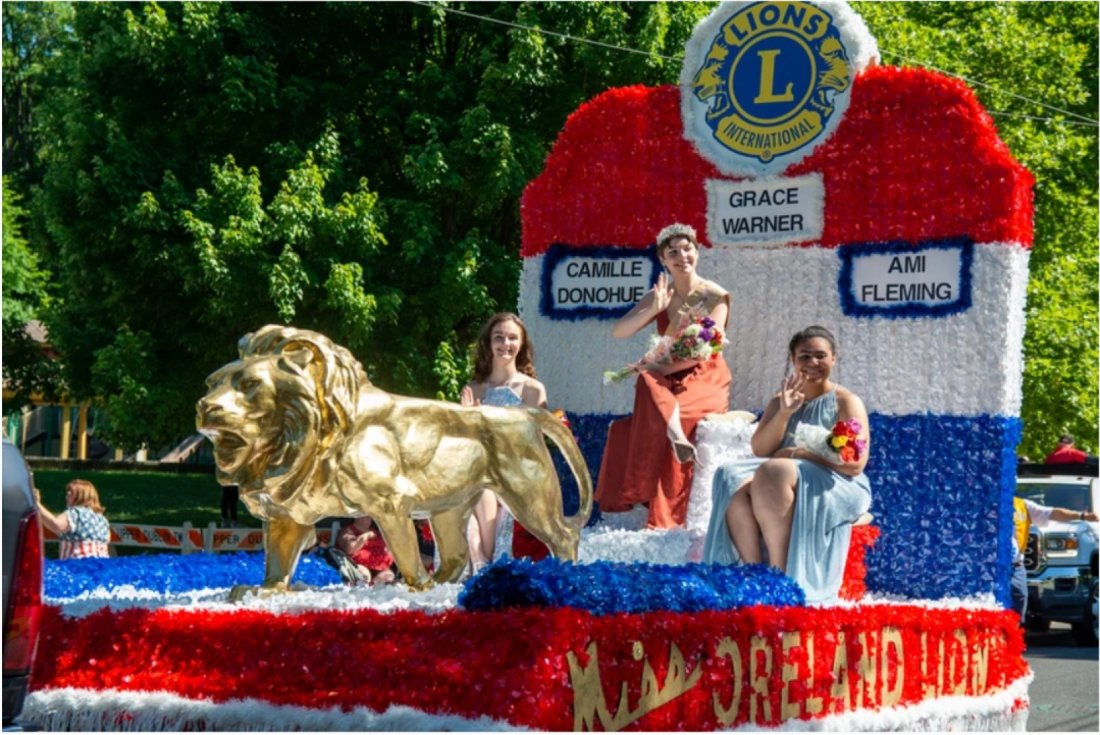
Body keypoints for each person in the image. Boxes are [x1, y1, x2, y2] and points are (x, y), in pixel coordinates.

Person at [701, 325, 872, 603]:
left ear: (833, 359)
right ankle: (755, 572)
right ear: (793, 360)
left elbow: (855, 466)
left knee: (775, 468)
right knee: (729, 474)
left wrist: (800, 454)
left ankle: (781, 576)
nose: (813, 363)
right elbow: (760, 449)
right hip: (784, 477)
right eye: (805, 356)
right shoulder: (779, 401)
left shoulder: (846, 401)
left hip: (838, 482)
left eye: (820, 356)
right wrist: (784, 413)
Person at [595, 223, 731, 529]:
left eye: (687, 249)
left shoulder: (714, 296)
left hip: (704, 377)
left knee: (654, 385)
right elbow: (619, 331)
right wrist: (651, 309)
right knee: (635, 401)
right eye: (673, 252)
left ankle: (666, 520)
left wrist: (655, 367)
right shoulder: (661, 294)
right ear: (663, 260)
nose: (682, 256)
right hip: (665, 377)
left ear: (697, 252)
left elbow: (704, 351)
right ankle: (675, 440)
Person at [460, 312, 549, 571]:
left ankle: (482, 562)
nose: (505, 343)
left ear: (521, 344)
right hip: (481, 467)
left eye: (512, 338)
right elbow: (467, 444)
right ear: (489, 342)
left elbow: (534, 442)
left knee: (484, 484)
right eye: (499, 337)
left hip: (518, 469)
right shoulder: (473, 389)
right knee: (474, 487)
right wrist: (468, 419)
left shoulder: (533, 390)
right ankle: (480, 561)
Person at [1011, 496, 1098, 620]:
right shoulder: (984, 503)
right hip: (990, 568)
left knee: (1018, 602)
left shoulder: (1022, 505)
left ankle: (1012, 634)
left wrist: (1083, 516)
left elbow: (1053, 513)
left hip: (1015, 567)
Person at [35, 479, 111, 559]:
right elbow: (107, 540)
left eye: (70, 493)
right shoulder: (102, 519)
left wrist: (36, 504)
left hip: (77, 565)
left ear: (81, 496)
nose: (66, 496)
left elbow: (56, 525)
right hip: (102, 566)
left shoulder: (75, 513)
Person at [336, 516, 396, 586]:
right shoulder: (347, 532)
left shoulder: (375, 532)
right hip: (358, 565)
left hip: (380, 567)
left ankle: (373, 589)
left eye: (370, 516)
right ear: (357, 516)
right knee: (364, 575)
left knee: (388, 576)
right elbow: (350, 549)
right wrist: (365, 536)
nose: (369, 517)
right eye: (366, 516)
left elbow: (387, 549)